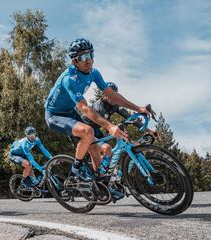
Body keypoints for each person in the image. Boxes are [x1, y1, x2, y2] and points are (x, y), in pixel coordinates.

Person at [44, 38, 150, 181]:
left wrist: (138, 108)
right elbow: (85, 109)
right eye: (82, 57)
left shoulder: (94, 72)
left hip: (69, 112)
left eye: (90, 55)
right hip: (54, 115)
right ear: (75, 61)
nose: (88, 60)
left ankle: (99, 181)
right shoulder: (69, 79)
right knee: (88, 131)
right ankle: (76, 169)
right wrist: (110, 126)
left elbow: (111, 94)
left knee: (93, 146)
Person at [80, 82, 158, 174]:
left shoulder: (115, 105)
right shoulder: (99, 107)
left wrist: (149, 130)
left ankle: (104, 172)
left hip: (95, 131)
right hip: (84, 131)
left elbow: (130, 118)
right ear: (103, 95)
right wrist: (130, 141)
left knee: (107, 154)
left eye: (114, 94)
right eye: (109, 95)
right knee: (105, 150)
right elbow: (109, 126)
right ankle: (99, 176)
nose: (112, 97)